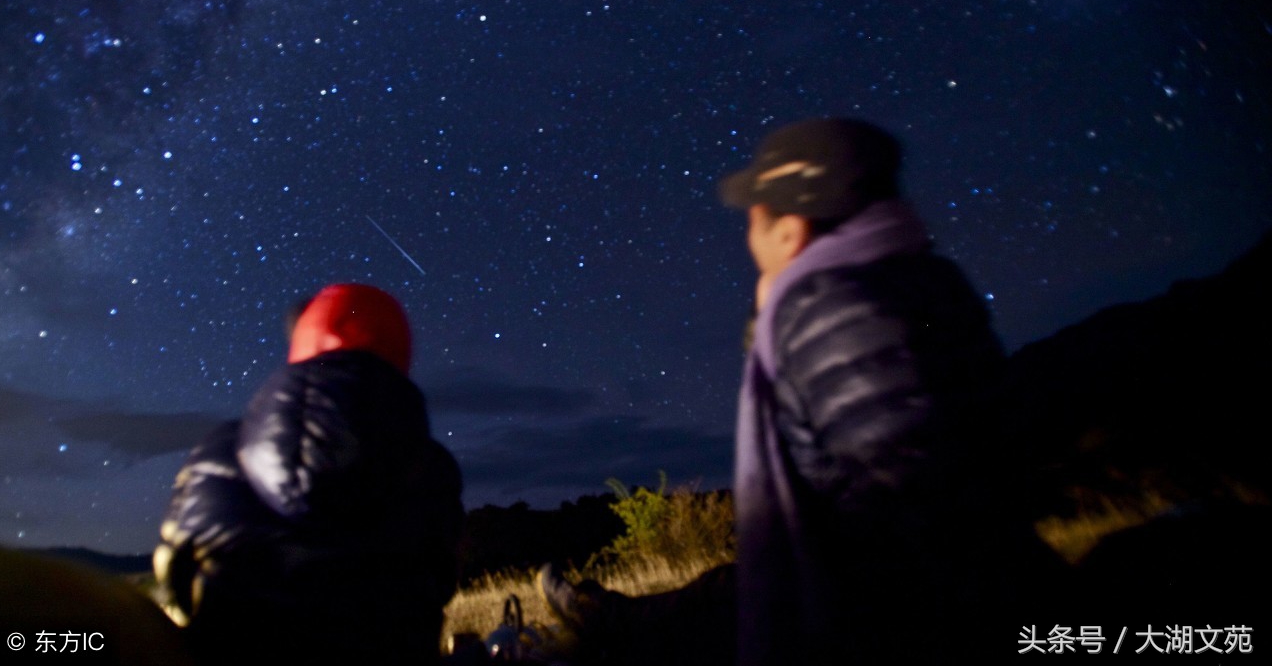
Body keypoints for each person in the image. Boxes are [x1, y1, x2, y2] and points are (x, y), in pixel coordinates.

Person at [539, 118, 1049, 664]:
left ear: (790, 228)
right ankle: (604, 615)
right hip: (957, 586)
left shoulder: (833, 304)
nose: (748, 237)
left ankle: (600, 620)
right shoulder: (925, 279)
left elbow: (914, 513)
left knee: (729, 600)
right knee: (722, 591)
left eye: (755, 218)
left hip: (894, 619)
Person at [154, 283, 464, 665]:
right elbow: (439, 583)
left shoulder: (217, 449)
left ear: (302, 345)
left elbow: (175, 575)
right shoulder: (435, 473)